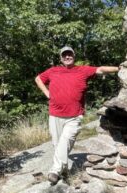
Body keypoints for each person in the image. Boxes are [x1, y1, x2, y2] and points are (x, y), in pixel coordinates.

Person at [35, 46, 120, 185]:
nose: (67, 57)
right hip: (55, 114)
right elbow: (38, 79)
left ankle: (55, 171)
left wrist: (119, 68)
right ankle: (63, 172)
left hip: (74, 116)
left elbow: (101, 69)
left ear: (74, 56)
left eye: (70, 55)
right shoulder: (53, 70)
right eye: (64, 55)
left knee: (65, 141)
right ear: (61, 58)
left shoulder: (83, 70)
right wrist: (47, 94)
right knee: (57, 145)